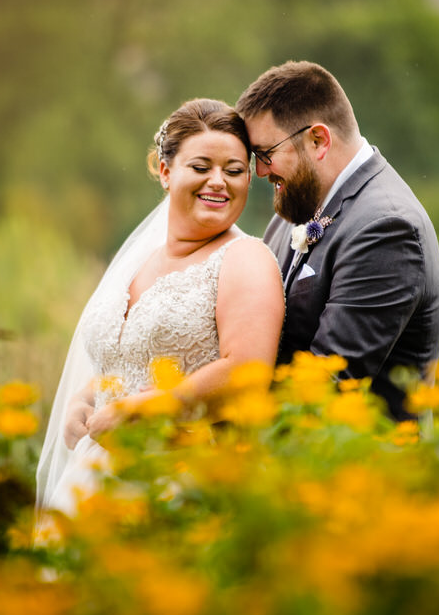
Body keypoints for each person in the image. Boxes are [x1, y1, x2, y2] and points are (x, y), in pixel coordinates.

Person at [35, 98, 285, 520]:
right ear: (166, 172)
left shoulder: (246, 258)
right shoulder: (137, 260)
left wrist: (147, 409)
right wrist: (87, 397)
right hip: (90, 482)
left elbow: (246, 372)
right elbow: (127, 358)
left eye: (234, 170)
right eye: (201, 167)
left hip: (178, 483)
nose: (218, 182)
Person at [236, 61, 439, 421]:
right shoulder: (295, 206)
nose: (260, 171)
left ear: (317, 140)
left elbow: (328, 385)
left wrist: (220, 417)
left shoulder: (387, 228)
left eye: (266, 154)